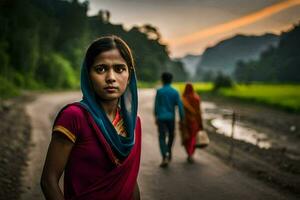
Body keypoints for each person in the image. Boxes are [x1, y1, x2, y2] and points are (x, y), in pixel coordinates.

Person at [40, 35, 141, 200]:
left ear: (129, 76)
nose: (111, 77)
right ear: (88, 74)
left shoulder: (133, 124)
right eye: (101, 69)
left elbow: (129, 182)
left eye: (119, 69)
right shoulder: (74, 117)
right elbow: (48, 181)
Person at [154, 72, 184, 167]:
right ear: (171, 80)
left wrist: (156, 116)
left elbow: (156, 106)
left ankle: (164, 156)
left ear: (162, 80)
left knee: (162, 136)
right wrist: (182, 118)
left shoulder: (159, 91)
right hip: (171, 118)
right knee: (171, 135)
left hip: (161, 118)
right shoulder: (175, 92)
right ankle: (168, 150)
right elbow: (179, 106)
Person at [181, 83, 203, 163]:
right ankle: (191, 154)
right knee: (193, 138)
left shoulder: (183, 98)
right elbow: (199, 112)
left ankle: (189, 153)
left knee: (186, 138)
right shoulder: (196, 98)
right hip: (195, 121)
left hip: (185, 121)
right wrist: (200, 123)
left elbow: (181, 111)